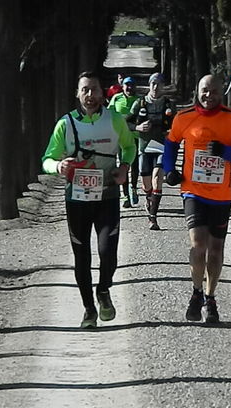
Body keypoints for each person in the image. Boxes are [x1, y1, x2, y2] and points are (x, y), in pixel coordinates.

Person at [42, 71, 136, 329]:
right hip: (77, 200)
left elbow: (130, 146)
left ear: (102, 93)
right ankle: (88, 310)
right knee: (81, 256)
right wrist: (59, 165)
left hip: (107, 196)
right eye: (85, 90)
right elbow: (47, 159)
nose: (90, 95)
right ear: (78, 94)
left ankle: (103, 289)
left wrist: (125, 167)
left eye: (94, 90)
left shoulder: (114, 120)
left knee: (108, 253)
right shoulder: (66, 124)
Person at [163, 74, 231, 323]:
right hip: (193, 191)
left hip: (222, 195)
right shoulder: (184, 117)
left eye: (213, 91)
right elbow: (170, 143)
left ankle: (210, 297)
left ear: (221, 93)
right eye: (204, 90)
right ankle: (196, 292)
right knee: (198, 243)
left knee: (216, 249)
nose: (208, 95)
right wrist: (170, 170)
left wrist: (226, 152)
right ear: (197, 91)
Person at [128, 72, 175, 230]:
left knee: (157, 178)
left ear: (163, 86)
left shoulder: (168, 104)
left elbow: (177, 125)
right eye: (153, 83)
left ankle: (153, 218)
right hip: (145, 147)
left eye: (159, 84)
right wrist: (138, 127)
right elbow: (126, 122)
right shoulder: (140, 103)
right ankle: (149, 197)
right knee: (146, 181)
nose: (155, 87)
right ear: (149, 85)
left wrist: (171, 132)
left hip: (162, 146)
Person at [109, 76, 140, 208]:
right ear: (123, 86)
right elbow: (109, 114)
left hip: (136, 136)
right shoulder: (116, 98)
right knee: (124, 166)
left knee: (135, 167)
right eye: (127, 85)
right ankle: (125, 195)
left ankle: (134, 189)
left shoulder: (139, 100)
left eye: (132, 85)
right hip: (121, 138)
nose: (129, 88)